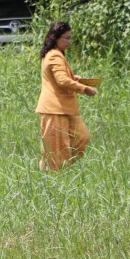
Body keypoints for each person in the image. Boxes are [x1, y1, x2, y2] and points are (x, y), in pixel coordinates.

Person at [35, 21, 98, 171]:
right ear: (56, 37)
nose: (69, 41)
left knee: (82, 137)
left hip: (64, 109)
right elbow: (62, 80)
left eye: (70, 38)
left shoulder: (55, 54)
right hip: (54, 109)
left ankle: (55, 168)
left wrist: (73, 78)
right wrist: (84, 89)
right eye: (67, 38)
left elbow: (61, 77)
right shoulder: (54, 56)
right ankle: (54, 174)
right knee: (57, 150)